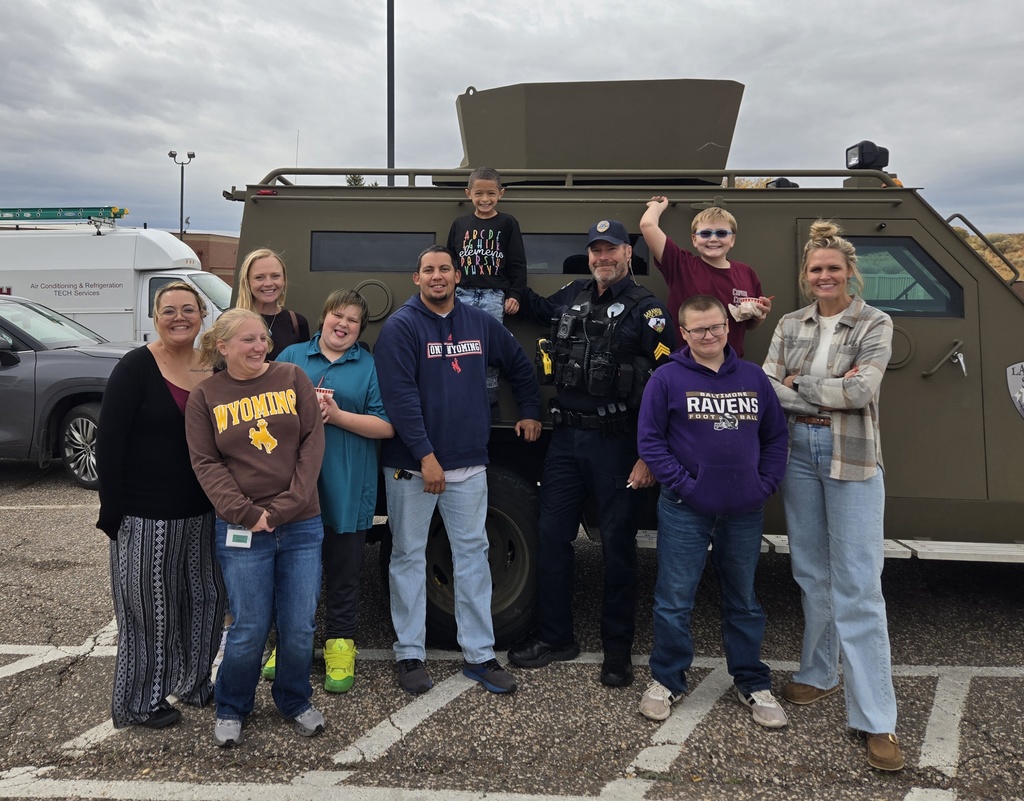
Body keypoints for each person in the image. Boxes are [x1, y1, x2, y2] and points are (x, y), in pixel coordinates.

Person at [508, 220, 676, 687]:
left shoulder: (648, 312)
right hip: (565, 440)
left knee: (617, 545)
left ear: (628, 253)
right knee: (551, 535)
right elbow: (538, 308)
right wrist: (504, 288)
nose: (603, 258)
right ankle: (557, 637)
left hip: (616, 442)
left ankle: (617, 650)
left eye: (611, 250)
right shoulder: (574, 294)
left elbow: (664, 385)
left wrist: (648, 454)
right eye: (595, 251)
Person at [762, 220, 903, 771]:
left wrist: (801, 388)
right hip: (798, 456)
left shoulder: (876, 321)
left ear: (849, 274)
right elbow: (766, 385)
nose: (825, 276)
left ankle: (876, 719)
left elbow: (862, 389)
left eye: (834, 269)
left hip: (853, 459)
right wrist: (820, 394)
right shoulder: (791, 322)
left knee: (860, 587)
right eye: (816, 269)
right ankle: (819, 674)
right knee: (811, 573)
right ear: (806, 275)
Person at [374, 245, 541, 695]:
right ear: (417, 278)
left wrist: (530, 410)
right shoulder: (401, 327)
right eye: (428, 269)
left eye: (444, 269)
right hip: (414, 468)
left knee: (474, 557)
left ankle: (480, 655)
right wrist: (426, 457)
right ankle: (409, 653)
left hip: (469, 465)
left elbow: (520, 365)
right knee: (408, 556)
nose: (436, 276)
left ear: (457, 275)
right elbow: (400, 399)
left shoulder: (479, 322)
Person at [636, 295, 788, 727]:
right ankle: (667, 679)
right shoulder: (666, 378)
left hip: (744, 508)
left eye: (716, 327)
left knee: (743, 600)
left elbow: (776, 438)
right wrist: (686, 485)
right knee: (674, 600)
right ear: (683, 333)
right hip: (686, 507)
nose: (709, 336)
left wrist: (764, 484)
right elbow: (650, 442)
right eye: (698, 329)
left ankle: (752, 681)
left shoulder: (754, 378)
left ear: (728, 326)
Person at [185, 308, 326, 747]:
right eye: (248, 340)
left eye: (262, 338)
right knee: (248, 625)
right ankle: (232, 705)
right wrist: (248, 514)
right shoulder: (205, 396)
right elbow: (206, 463)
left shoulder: (292, 377)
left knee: (299, 625)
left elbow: (310, 443)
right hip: (240, 528)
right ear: (222, 346)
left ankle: (294, 698)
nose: (260, 347)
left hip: (301, 524)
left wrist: (284, 508)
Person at [96, 281, 225, 729]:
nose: (179, 317)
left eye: (188, 309)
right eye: (168, 310)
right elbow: (107, 444)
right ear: (155, 317)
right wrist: (112, 512)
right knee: (150, 612)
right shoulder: (135, 367)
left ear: (202, 315)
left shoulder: (213, 365)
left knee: (207, 599)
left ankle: (194, 682)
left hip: (204, 512)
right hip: (145, 515)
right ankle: (138, 703)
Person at [277, 289, 394, 694]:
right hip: (295, 487)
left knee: (343, 574)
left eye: (353, 321)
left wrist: (338, 415)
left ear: (361, 329)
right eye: (336, 316)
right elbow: (263, 409)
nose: (342, 325)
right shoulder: (291, 357)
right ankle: (290, 645)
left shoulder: (369, 365)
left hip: (347, 485)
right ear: (324, 316)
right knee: (294, 573)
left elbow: (386, 426)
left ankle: (340, 645)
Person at [640, 196, 771, 358]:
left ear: (732, 240)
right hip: (686, 365)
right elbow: (647, 225)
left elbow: (750, 325)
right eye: (706, 233)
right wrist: (657, 206)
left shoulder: (747, 273)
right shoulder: (681, 265)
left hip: (729, 366)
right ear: (694, 239)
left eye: (722, 233)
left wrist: (761, 315)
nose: (714, 239)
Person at [446, 166, 527, 406]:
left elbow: (518, 262)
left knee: (490, 346)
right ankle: (456, 392)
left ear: (501, 194)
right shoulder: (460, 224)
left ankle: (488, 400)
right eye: (479, 193)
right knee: (457, 343)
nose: (485, 199)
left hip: (493, 296)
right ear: (468, 193)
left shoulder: (508, 223)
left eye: (491, 194)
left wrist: (515, 294)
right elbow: (450, 260)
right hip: (462, 294)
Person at [234, 248, 310, 361]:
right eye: (259, 277)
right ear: (247, 282)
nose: (269, 283)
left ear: (284, 280)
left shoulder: (298, 323)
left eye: (275, 276)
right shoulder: (231, 322)